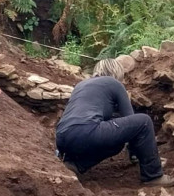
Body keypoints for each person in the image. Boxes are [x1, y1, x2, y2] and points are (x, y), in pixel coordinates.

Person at [55, 57, 172, 187]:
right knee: (144, 121)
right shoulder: (114, 83)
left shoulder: (81, 85)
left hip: (62, 138)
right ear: (116, 73)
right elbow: (131, 120)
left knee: (116, 143)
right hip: (87, 132)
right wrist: (137, 155)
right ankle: (153, 176)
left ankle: (74, 165)